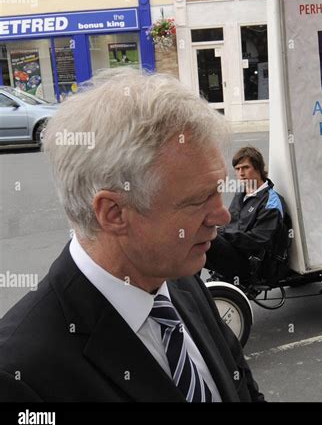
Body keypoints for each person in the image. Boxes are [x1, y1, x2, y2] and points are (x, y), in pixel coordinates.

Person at [0, 68, 264, 403]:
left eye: (219, 190)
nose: (222, 215)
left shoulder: (179, 275)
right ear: (114, 213)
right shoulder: (21, 377)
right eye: (199, 199)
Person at [205, 147, 290, 285]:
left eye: (245, 168)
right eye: (237, 169)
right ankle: (187, 288)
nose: (241, 173)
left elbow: (259, 240)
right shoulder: (241, 193)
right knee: (195, 234)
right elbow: (230, 225)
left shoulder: (271, 201)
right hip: (234, 252)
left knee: (207, 238)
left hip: (252, 263)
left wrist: (221, 233)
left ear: (258, 168)